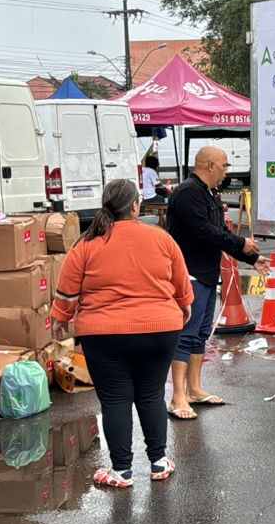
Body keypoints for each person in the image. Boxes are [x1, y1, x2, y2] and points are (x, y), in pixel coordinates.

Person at [50, 178, 193, 488]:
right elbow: (182, 284)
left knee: (115, 399)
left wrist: (60, 318)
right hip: (160, 329)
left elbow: (67, 291)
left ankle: (121, 471)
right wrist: (184, 307)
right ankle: (158, 462)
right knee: (151, 393)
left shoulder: (86, 243)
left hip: (103, 333)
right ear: (135, 206)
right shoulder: (161, 238)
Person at [165, 145, 269, 419]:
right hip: (189, 274)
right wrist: (241, 243)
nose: (226, 171)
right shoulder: (187, 193)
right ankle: (177, 397)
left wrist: (252, 258)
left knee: (201, 334)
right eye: (224, 165)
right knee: (186, 334)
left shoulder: (210, 193)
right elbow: (205, 231)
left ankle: (194, 389)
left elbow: (220, 233)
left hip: (208, 274)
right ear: (209, 165)